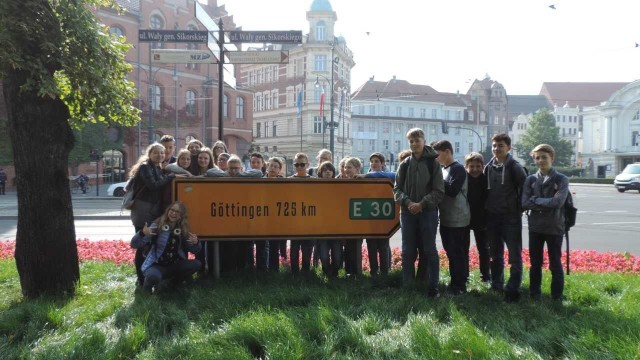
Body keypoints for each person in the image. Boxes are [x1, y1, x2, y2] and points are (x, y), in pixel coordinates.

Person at [393, 128, 444, 297]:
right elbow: (397, 189)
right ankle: (408, 286)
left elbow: (439, 191)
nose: (414, 144)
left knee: (429, 250)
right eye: (411, 141)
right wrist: (408, 203)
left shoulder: (433, 163)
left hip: (427, 213)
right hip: (407, 213)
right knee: (407, 251)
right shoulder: (404, 164)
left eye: (417, 140)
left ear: (424, 140)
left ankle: (433, 287)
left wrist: (421, 204)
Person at [483, 133, 527, 302]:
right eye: (494, 145)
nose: (496, 149)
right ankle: (497, 285)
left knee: (514, 256)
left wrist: (519, 209)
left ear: (509, 148)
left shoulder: (515, 167)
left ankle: (513, 289)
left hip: (511, 218)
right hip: (492, 217)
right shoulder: (488, 167)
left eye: (500, 145)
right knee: (495, 255)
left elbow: (525, 190)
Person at [522, 144, 569, 301]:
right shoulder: (531, 179)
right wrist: (545, 202)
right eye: (537, 157)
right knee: (535, 264)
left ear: (552, 158)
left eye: (544, 157)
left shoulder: (561, 179)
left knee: (555, 263)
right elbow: (525, 203)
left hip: (555, 227)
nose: (540, 160)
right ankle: (534, 295)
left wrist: (536, 200)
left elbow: (558, 202)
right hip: (535, 227)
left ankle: (557, 297)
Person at [128, 142, 176, 286]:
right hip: (143, 209)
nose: (160, 155)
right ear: (149, 154)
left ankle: (148, 276)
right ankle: (141, 278)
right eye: (156, 152)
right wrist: (170, 177)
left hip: (152, 209)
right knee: (142, 241)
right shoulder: (145, 167)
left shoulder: (157, 167)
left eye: (162, 153)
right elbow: (154, 185)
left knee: (150, 244)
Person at [130, 201, 201, 293]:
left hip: (175, 264)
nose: (173, 213)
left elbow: (195, 250)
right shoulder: (157, 225)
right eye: (172, 210)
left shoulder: (183, 229)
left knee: (196, 264)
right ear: (168, 211)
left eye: (177, 212)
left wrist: (196, 243)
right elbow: (134, 244)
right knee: (153, 276)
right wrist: (142, 233)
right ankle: (147, 287)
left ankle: (173, 283)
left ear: (181, 216)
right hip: (157, 265)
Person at [432, 140, 470, 295]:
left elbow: (453, 190)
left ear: (447, 152)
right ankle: (457, 283)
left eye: (437, 155)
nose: (436, 159)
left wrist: (435, 177)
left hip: (458, 219)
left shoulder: (458, 169)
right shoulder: (443, 169)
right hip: (447, 218)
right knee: (451, 253)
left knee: (457, 253)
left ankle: (459, 286)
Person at [358, 152, 395, 278]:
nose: (374, 163)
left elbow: (393, 175)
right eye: (372, 161)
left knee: (384, 247)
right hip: (369, 217)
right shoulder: (362, 177)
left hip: (383, 218)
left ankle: (385, 274)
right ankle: (373, 273)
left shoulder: (388, 175)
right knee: (371, 246)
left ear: (383, 163)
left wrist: (367, 175)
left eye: (377, 161)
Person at [464, 152, 491, 282]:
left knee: (484, 250)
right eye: (471, 166)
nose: (475, 169)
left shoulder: (486, 180)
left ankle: (485, 277)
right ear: (466, 167)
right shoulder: (463, 180)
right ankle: (464, 276)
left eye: (478, 166)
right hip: (465, 218)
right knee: (464, 249)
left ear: (483, 166)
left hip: (482, 220)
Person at [288, 152, 315, 276]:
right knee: (294, 250)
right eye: (297, 164)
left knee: (307, 249)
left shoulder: (315, 182)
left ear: (307, 165)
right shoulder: (288, 181)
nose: (299, 167)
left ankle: (306, 272)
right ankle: (294, 274)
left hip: (309, 221)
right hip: (294, 221)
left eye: (302, 164)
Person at [315, 161, 343, 277]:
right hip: (321, 229)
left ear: (333, 172)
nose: (327, 172)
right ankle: (326, 274)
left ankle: (335, 274)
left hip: (335, 229)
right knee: (324, 256)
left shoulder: (339, 187)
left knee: (337, 257)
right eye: (325, 170)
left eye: (330, 170)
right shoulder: (314, 187)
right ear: (320, 173)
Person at [341, 157, 365, 277]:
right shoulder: (341, 182)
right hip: (344, 222)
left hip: (357, 222)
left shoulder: (363, 182)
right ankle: (348, 272)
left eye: (349, 167)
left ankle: (357, 274)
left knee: (355, 247)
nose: (346, 170)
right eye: (345, 167)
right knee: (346, 248)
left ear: (357, 169)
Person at [264, 157, 286, 272]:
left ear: (279, 170)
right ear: (267, 167)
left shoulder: (283, 183)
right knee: (262, 245)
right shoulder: (259, 181)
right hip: (262, 216)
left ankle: (274, 270)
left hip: (276, 218)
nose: (272, 168)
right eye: (271, 165)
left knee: (274, 246)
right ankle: (261, 270)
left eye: (276, 167)